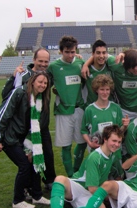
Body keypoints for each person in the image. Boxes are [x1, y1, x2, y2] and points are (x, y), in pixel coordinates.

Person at [45, 125, 124, 208]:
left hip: (87, 193)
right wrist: (106, 195)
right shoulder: (95, 157)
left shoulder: (111, 155)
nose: (116, 144)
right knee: (60, 179)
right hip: (79, 187)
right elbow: (92, 189)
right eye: (114, 141)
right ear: (105, 139)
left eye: (119, 142)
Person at [0, 72, 51, 208]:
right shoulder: (19, 93)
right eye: (40, 82)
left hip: (24, 139)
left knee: (36, 161)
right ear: (32, 81)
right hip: (10, 137)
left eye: (45, 83)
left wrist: (30, 147)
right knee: (24, 165)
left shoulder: (41, 99)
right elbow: (3, 115)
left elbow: (37, 124)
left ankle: (36, 196)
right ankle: (17, 200)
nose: (42, 85)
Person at [1, 48, 56, 189]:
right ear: (34, 60)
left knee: (47, 154)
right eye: (40, 61)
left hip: (42, 124)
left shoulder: (48, 75)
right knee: (28, 157)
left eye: (46, 61)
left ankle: (49, 181)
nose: (43, 64)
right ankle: (28, 186)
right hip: (26, 126)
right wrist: (14, 77)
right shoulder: (23, 74)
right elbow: (7, 95)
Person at [48, 36, 87, 177]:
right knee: (66, 145)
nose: (70, 55)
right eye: (67, 52)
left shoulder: (80, 63)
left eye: (72, 52)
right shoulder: (53, 67)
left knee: (82, 142)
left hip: (79, 108)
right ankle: (70, 176)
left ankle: (76, 171)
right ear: (60, 51)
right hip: (63, 110)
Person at [81, 74, 129, 179]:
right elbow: (83, 130)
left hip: (114, 150)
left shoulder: (115, 108)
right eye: (102, 89)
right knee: (99, 178)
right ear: (96, 90)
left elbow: (119, 131)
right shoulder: (90, 109)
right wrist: (89, 143)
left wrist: (124, 127)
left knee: (117, 177)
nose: (105, 92)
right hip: (98, 150)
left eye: (107, 89)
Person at [82, 40, 112, 106]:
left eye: (104, 53)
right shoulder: (86, 69)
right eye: (98, 53)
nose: (101, 56)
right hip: (91, 108)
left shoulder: (110, 66)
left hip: (109, 108)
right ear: (93, 54)